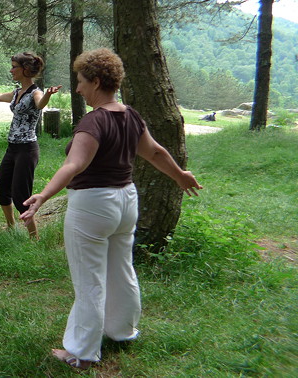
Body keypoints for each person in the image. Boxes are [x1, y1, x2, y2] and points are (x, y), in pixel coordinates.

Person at [19, 49, 202, 370]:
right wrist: (180, 175)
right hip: (126, 201)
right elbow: (156, 152)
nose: (77, 89)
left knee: (88, 278)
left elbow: (75, 164)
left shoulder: (94, 121)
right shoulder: (130, 115)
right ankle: (122, 331)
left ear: (97, 81)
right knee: (121, 269)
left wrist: (43, 195)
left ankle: (81, 351)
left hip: (92, 206)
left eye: (80, 82)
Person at [0, 52, 61, 238]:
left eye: (14, 66)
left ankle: (34, 237)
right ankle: (11, 227)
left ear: (25, 69)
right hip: (12, 148)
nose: (11, 70)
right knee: (1, 190)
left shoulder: (36, 92)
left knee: (21, 197)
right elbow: (0, 97)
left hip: (27, 149)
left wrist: (48, 94)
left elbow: (40, 105)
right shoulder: (17, 92)